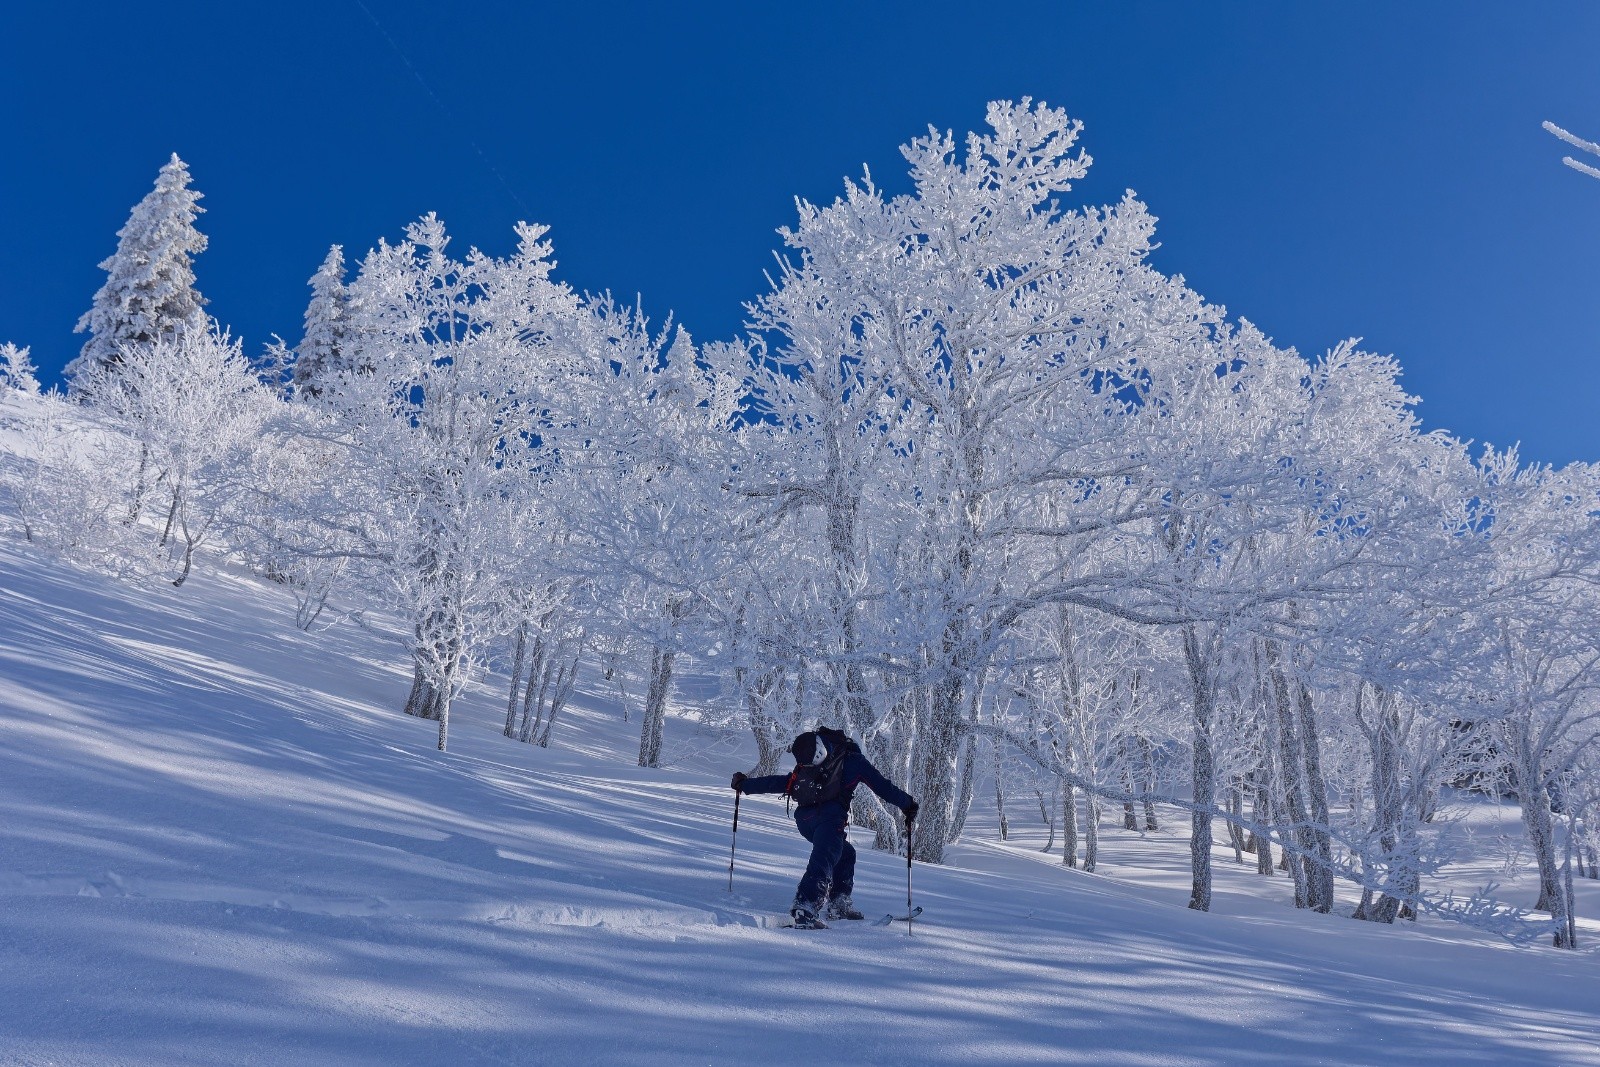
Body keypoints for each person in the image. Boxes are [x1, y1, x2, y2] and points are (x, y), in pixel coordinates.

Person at [731, 727, 918, 928]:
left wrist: (745, 785)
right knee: (825, 856)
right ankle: (805, 906)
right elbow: (883, 787)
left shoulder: (810, 763)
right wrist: (908, 804)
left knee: (845, 853)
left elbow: (782, 782)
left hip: (805, 821)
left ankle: (839, 903)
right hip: (829, 821)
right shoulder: (853, 761)